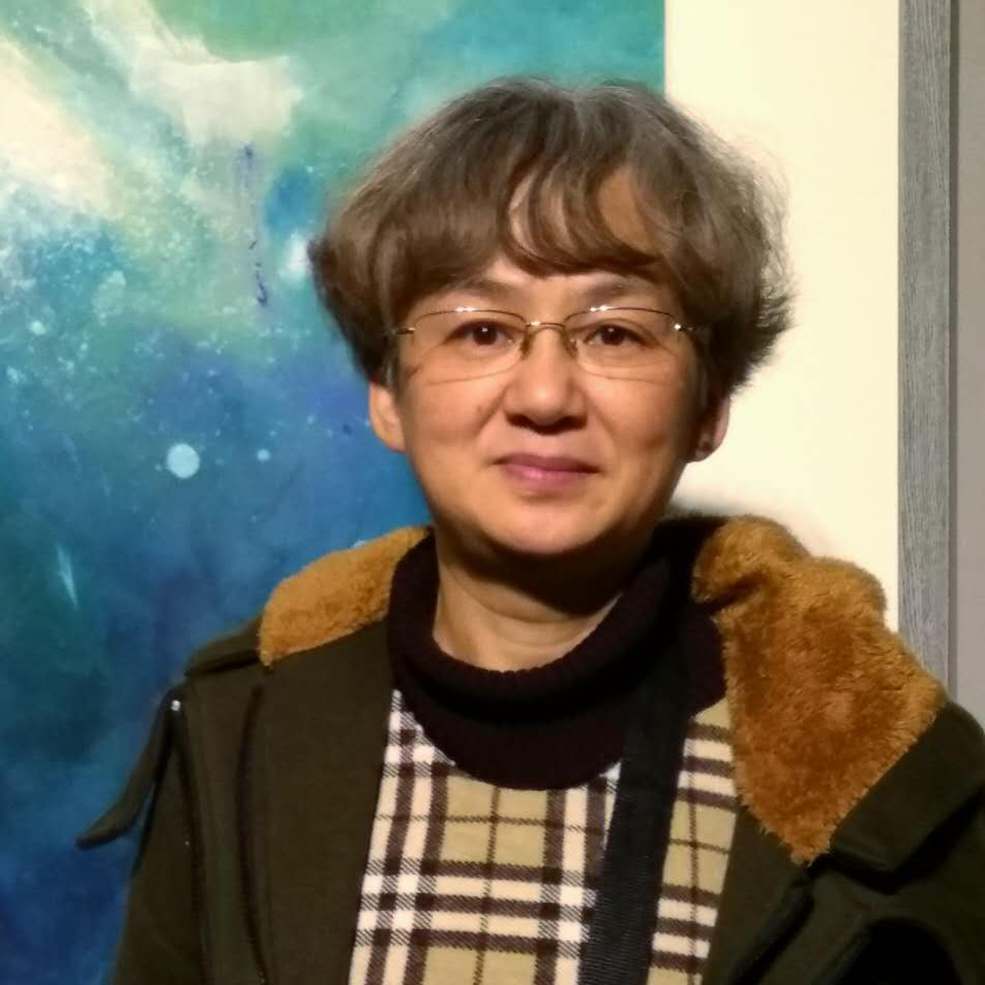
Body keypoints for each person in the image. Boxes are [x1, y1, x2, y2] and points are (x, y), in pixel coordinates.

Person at [80, 77, 985, 985]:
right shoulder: (236, 735)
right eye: (480, 329)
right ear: (387, 392)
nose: (545, 395)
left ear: (708, 404)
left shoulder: (886, 783)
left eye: (615, 333)